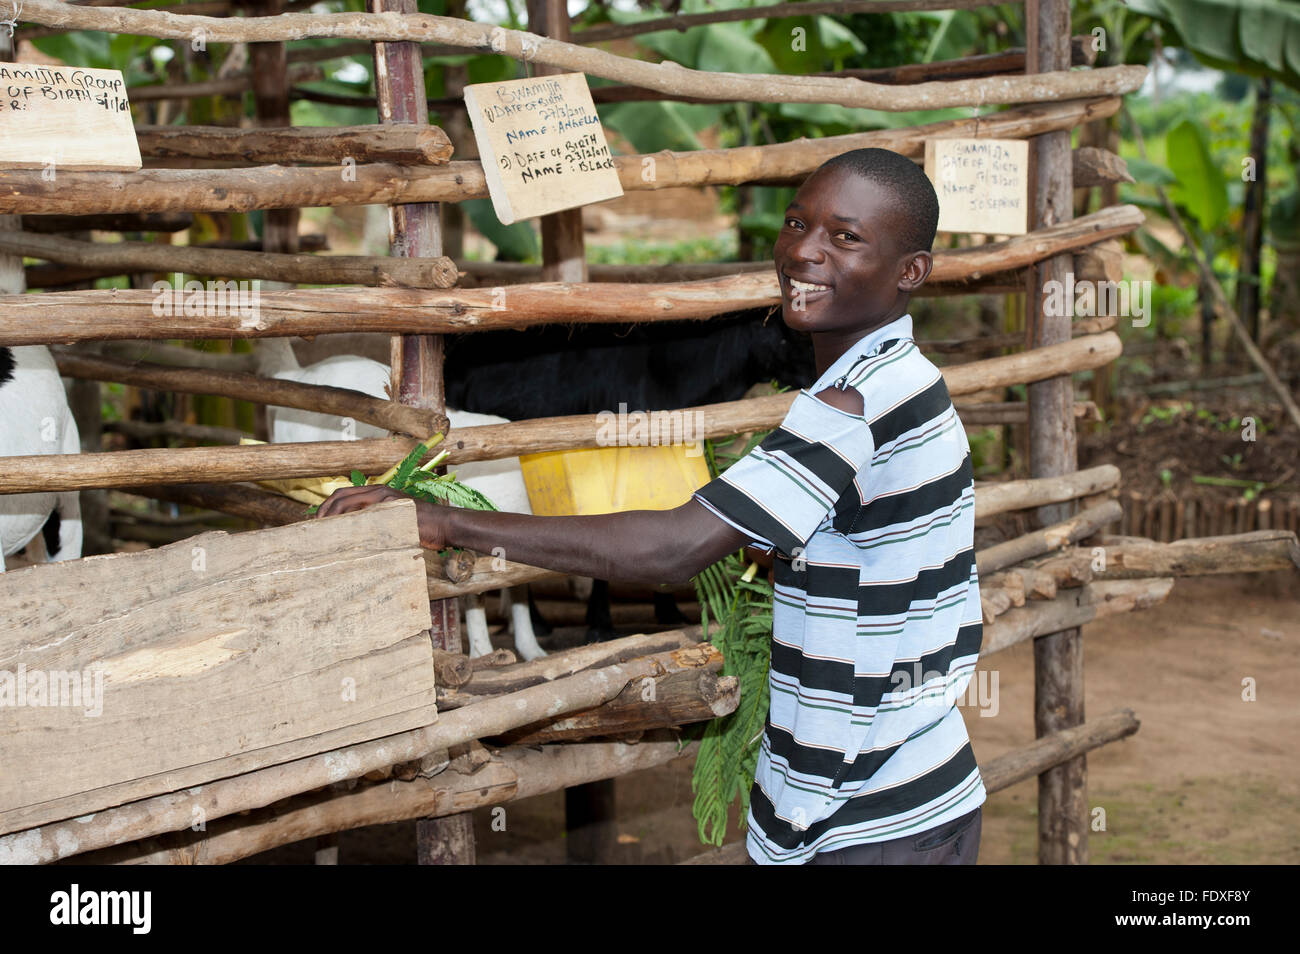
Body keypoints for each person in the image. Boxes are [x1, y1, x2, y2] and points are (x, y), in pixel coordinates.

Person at [316, 147, 986, 865]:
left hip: (866, 815)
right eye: (797, 223)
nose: (803, 253)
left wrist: (445, 520)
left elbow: (674, 547)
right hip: (918, 784)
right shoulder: (910, 381)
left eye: (844, 237)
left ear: (910, 271)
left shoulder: (848, 408)